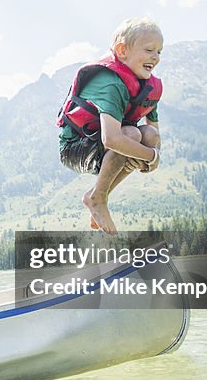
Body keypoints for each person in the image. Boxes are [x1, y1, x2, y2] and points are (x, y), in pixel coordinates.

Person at [56, 17, 164, 235]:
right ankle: (98, 198)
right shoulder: (110, 82)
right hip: (76, 148)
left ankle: (96, 195)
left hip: (107, 145)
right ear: (122, 50)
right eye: (149, 50)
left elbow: (154, 135)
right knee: (131, 135)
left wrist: (152, 155)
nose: (155, 57)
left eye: (159, 52)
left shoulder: (148, 87)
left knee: (149, 135)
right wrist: (151, 157)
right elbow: (112, 139)